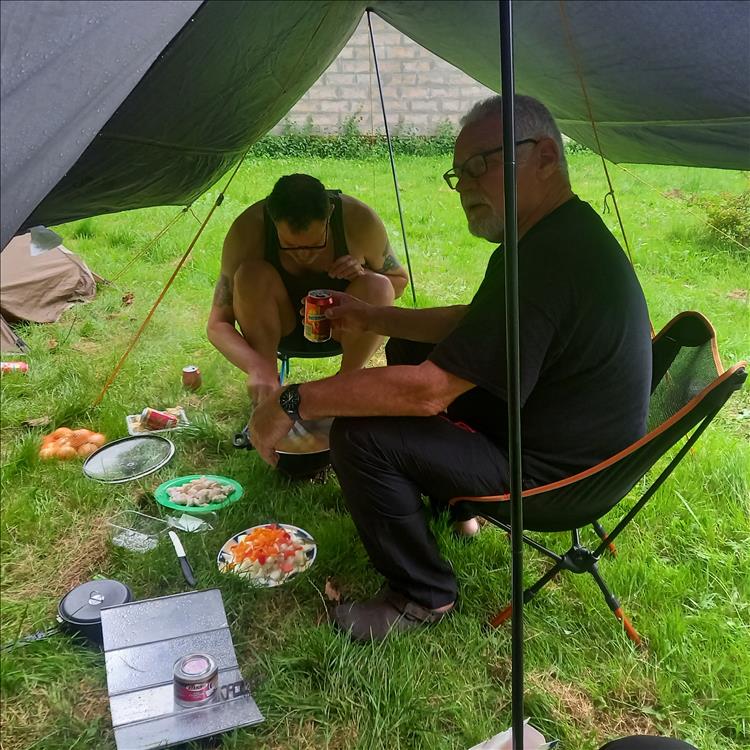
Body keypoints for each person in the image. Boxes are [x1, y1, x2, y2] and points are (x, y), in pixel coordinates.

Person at [249, 94, 652, 641]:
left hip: (552, 477)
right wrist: (375, 316)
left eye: (480, 165)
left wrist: (292, 400)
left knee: (362, 435)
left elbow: (428, 395)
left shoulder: (548, 260)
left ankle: (422, 596)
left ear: (546, 157)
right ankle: (455, 509)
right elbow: (475, 320)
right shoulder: (552, 238)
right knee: (410, 350)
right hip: (559, 430)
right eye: (458, 173)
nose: (464, 187)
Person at [207, 174, 408, 407]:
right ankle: (270, 390)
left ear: (330, 214)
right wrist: (256, 367)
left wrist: (361, 274)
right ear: (272, 220)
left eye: (315, 243)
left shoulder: (359, 221)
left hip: (344, 329)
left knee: (378, 284)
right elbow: (217, 324)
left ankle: (345, 386)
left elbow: (398, 283)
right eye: (290, 245)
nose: (304, 254)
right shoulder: (248, 229)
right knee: (251, 274)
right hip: (279, 329)